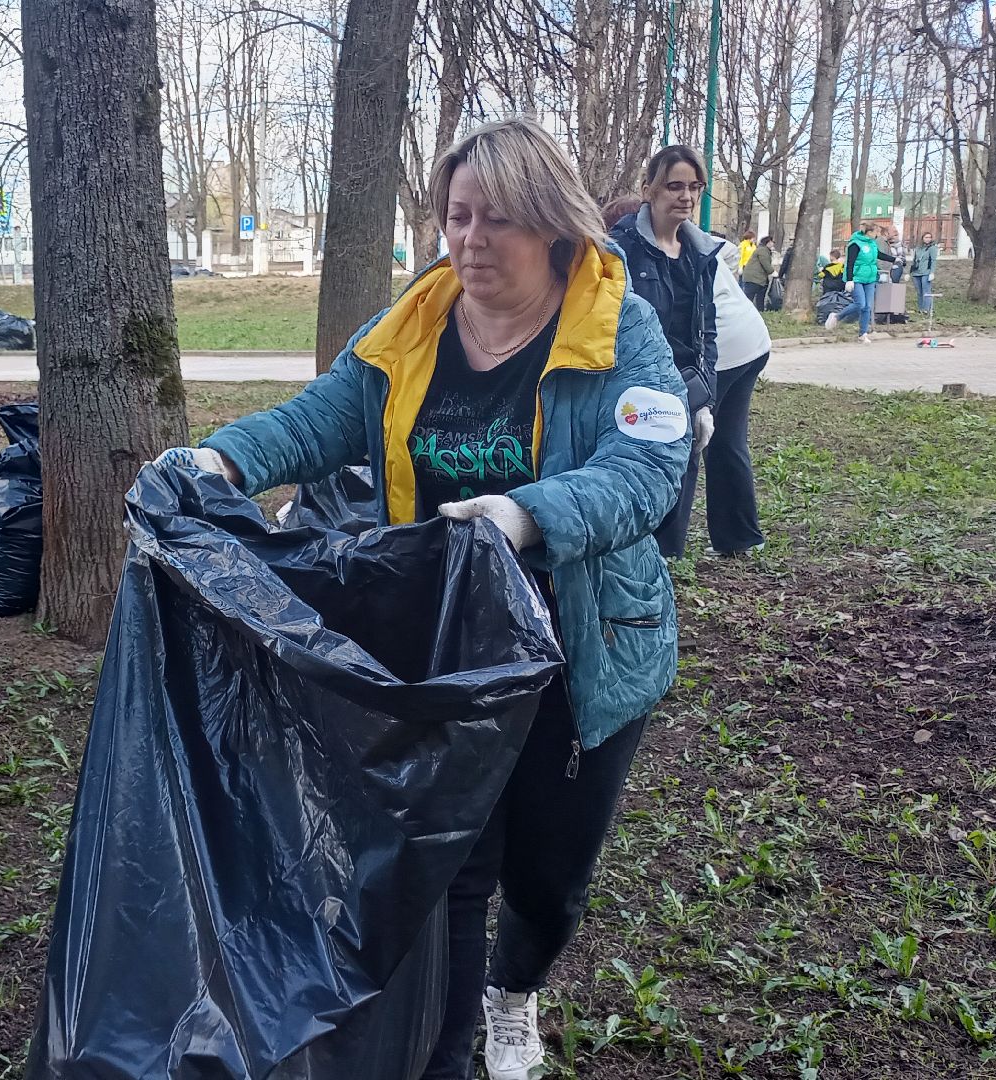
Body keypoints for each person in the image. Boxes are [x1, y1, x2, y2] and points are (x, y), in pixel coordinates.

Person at [155, 118, 688, 1080]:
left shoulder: (616, 325)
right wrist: (221, 457)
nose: (469, 241)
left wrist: (525, 516)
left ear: (552, 227)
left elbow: (647, 470)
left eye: (497, 221)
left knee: (548, 878)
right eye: (456, 216)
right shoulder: (414, 324)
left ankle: (515, 994)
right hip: (453, 654)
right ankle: (441, 1055)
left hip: (582, 650)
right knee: (452, 869)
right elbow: (318, 418)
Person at [609, 145, 719, 561]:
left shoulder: (700, 253)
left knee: (678, 489)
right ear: (648, 190)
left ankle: (664, 569)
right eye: (674, 186)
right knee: (636, 486)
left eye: (695, 187)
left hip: (685, 392)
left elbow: (707, 329)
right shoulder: (620, 248)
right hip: (633, 390)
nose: (686, 196)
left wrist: (705, 398)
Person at [703, 233, 771, 558]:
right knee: (726, 441)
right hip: (752, 339)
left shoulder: (649, 250)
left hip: (723, 348)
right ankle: (741, 538)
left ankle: (662, 547)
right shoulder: (690, 235)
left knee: (677, 442)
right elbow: (730, 251)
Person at [826, 222, 893, 342]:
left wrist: (894, 259)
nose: (878, 234)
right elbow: (850, 262)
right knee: (860, 304)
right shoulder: (855, 244)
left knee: (867, 306)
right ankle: (837, 316)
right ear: (869, 232)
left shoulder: (872, 243)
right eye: (876, 231)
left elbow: (879, 255)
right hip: (857, 278)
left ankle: (863, 333)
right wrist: (850, 280)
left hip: (870, 278)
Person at [740, 235, 776, 309]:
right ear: (768, 242)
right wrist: (773, 272)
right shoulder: (763, 251)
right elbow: (765, 263)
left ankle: (758, 311)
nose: (773, 244)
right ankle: (747, 311)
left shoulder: (763, 250)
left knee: (758, 297)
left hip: (756, 278)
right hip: (753, 278)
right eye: (772, 242)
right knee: (750, 297)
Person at [909, 231, 939, 315]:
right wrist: (910, 271)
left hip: (926, 272)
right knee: (919, 291)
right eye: (926, 237)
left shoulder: (932, 248)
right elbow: (914, 260)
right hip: (916, 272)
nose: (928, 239)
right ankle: (920, 308)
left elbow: (933, 260)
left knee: (926, 290)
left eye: (929, 237)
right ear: (922, 238)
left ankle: (926, 309)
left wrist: (932, 272)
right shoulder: (918, 248)